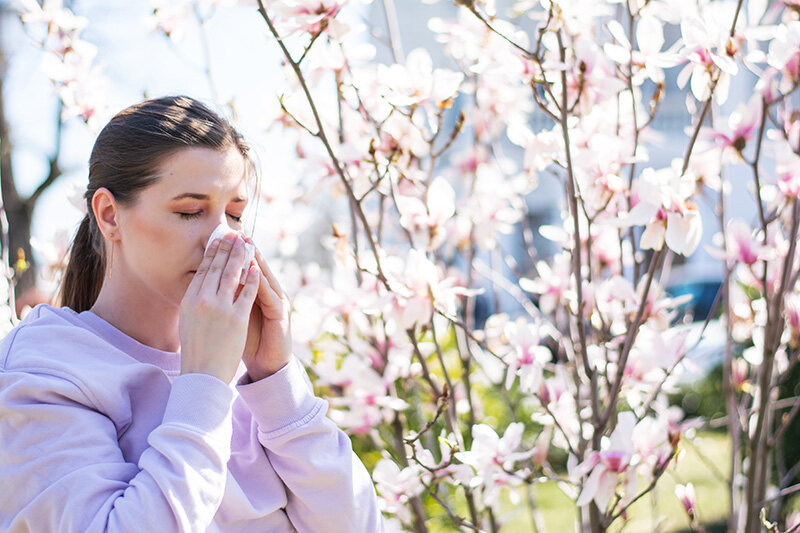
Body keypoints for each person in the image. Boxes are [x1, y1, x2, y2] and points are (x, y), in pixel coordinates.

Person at [0, 95, 384, 532]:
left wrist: (279, 385)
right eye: (189, 211)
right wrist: (203, 384)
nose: (222, 238)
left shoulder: (249, 372)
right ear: (110, 216)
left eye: (235, 214)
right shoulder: (45, 371)